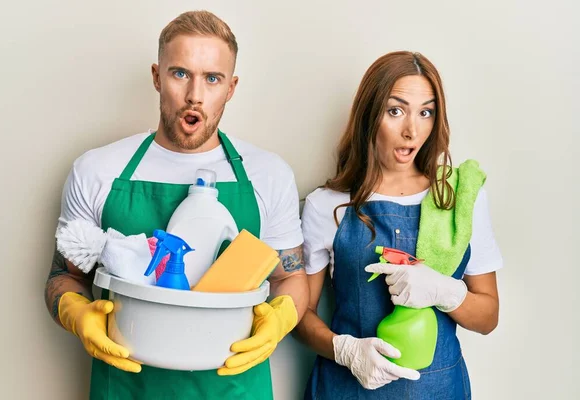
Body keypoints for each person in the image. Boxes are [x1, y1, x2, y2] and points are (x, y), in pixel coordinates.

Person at [43, 10, 309, 399]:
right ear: (156, 76)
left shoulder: (267, 175)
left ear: (231, 87)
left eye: (213, 79)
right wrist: (77, 314)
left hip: (235, 388)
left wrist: (280, 320)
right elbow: (62, 274)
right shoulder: (97, 170)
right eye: (180, 73)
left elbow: (290, 276)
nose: (194, 96)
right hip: (126, 387)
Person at [295, 51, 503, 399]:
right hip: (348, 389)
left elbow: (488, 317)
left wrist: (444, 292)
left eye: (426, 112)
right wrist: (345, 350)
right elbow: (299, 315)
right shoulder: (326, 205)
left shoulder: (457, 199)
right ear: (369, 114)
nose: (411, 130)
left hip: (439, 390)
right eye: (395, 110)